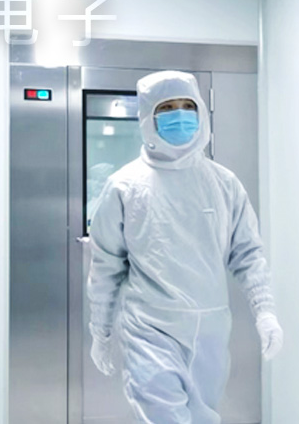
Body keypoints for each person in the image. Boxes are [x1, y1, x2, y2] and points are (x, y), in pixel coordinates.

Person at [87, 70, 283, 424]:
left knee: (204, 416)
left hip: (211, 330)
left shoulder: (223, 184)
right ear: (147, 117)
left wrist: (265, 311)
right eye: (167, 108)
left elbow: (248, 253)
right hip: (150, 328)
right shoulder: (125, 187)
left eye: (187, 106)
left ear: (201, 112)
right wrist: (100, 329)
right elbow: (106, 265)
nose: (179, 115)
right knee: (162, 415)